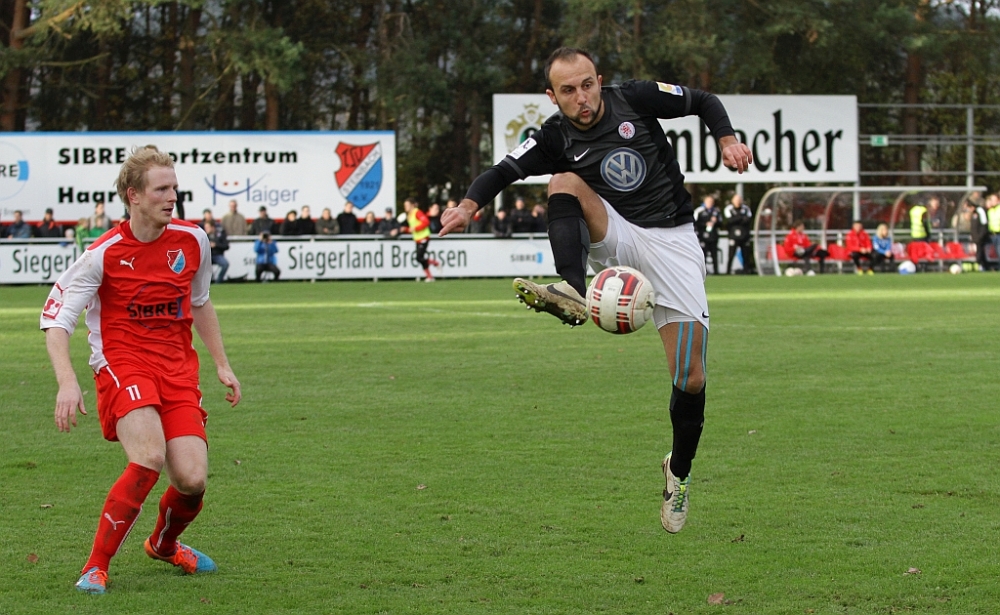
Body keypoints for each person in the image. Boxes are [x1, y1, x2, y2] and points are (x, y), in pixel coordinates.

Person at [439, 47, 752, 534]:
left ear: (599, 80)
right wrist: (466, 206)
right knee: (563, 180)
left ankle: (679, 471)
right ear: (552, 96)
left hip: (673, 240)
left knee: (690, 377)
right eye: (568, 90)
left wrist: (727, 140)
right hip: (617, 232)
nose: (582, 97)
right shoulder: (554, 136)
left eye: (587, 85)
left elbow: (703, 101)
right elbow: (502, 171)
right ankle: (572, 286)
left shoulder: (636, 98)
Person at [39, 145, 241, 595]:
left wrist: (222, 364)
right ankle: (95, 566)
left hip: (177, 370)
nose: (172, 197)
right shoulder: (103, 253)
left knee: (192, 480)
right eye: (161, 189)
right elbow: (56, 320)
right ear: (133, 195)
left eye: (175, 188)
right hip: (122, 364)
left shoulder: (193, 240)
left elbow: (200, 302)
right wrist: (67, 381)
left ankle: (163, 545)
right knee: (148, 455)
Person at [402, 197, 441, 282]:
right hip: (418, 238)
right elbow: (412, 228)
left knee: (419, 257)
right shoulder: (409, 215)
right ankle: (429, 276)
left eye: (407, 205)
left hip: (423, 237)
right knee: (420, 258)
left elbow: (426, 222)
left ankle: (435, 263)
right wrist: (406, 229)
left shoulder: (417, 212)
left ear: (412, 205)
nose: (405, 207)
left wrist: (415, 228)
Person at [723, 194, 753, 274]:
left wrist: (737, 218)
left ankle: (746, 271)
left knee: (746, 255)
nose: (738, 201)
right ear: (732, 200)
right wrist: (741, 218)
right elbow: (730, 221)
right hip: (733, 235)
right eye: (736, 200)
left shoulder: (746, 209)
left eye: (739, 200)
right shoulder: (729, 209)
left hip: (744, 235)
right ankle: (728, 271)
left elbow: (748, 220)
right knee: (731, 254)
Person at [693, 196, 721, 275]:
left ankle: (716, 272)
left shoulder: (716, 211)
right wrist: (705, 224)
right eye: (708, 201)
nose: (710, 203)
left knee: (714, 254)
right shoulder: (699, 211)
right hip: (703, 237)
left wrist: (716, 222)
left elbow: (721, 223)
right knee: (703, 255)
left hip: (713, 237)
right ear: (704, 202)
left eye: (711, 202)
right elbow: (695, 223)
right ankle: (703, 272)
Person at [967, 198, 992, 271]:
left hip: (980, 237)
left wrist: (981, 236)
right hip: (976, 237)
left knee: (980, 252)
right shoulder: (974, 213)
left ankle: (981, 266)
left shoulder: (980, 211)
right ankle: (984, 266)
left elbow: (984, 225)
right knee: (980, 252)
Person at [986, 193, 1000, 270]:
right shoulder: (990, 210)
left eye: (994, 200)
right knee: (995, 253)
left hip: (999, 234)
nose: (992, 202)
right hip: (992, 234)